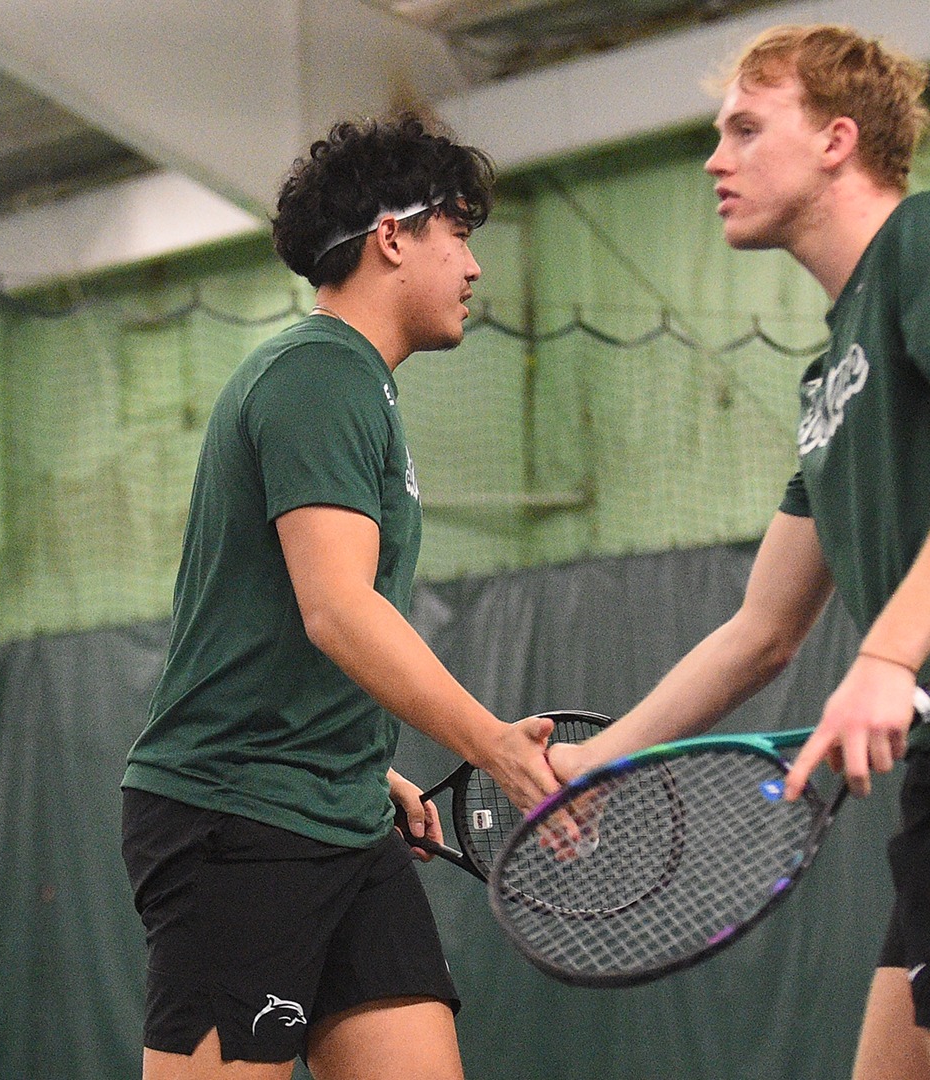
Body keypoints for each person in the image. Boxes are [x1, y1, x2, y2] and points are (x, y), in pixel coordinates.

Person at [548, 25, 930, 1080]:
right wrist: (599, 764)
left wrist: (885, 659)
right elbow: (762, 629)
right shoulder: (828, 381)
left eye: (746, 128)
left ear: (839, 139)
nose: (715, 158)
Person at [120, 115, 560, 1080]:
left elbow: (302, 620)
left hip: (341, 814)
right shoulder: (319, 373)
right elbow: (337, 609)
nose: (475, 266)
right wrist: (488, 743)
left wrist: (364, 766)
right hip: (237, 822)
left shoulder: (356, 384)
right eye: (459, 232)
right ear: (394, 236)